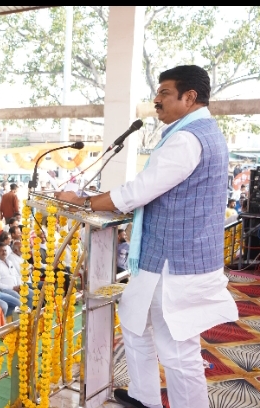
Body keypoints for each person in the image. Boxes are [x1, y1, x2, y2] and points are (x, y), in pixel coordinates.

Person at [55, 65, 238, 408]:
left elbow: (139, 191)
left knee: (177, 350)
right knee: (134, 321)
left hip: (176, 263)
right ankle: (144, 398)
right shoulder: (199, 130)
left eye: (164, 93)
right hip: (162, 256)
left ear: (189, 97)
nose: (156, 100)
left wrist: (83, 202)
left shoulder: (187, 139)